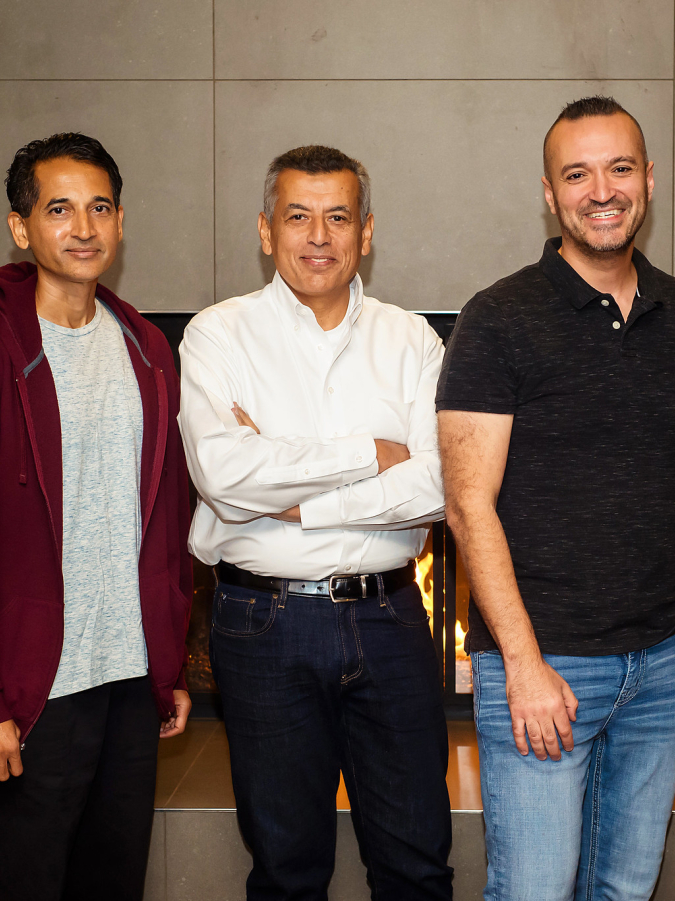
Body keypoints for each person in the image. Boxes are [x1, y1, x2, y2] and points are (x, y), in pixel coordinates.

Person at [436, 96, 675, 900]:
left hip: (664, 663)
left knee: (625, 890)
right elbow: (468, 505)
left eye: (619, 167)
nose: (601, 189)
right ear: (549, 190)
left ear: (648, 179)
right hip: (547, 664)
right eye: (578, 173)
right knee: (534, 891)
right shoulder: (497, 318)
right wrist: (524, 665)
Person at [0, 133, 193, 901]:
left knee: (112, 885)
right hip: (32, 690)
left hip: (130, 681)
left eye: (100, 207)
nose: (84, 227)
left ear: (122, 222)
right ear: (20, 226)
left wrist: (170, 660)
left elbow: (168, 521)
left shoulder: (149, 351)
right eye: (59, 208)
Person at [178, 145, 452, 900]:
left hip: (391, 618)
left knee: (417, 863)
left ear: (367, 231)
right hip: (262, 624)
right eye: (298, 216)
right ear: (266, 230)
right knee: (288, 868)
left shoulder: (413, 340)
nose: (319, 236)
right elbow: (225, 477)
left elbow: (438, 483)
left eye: (338, 217)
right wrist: (372, 452)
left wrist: (301, 495)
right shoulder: (216, 335)